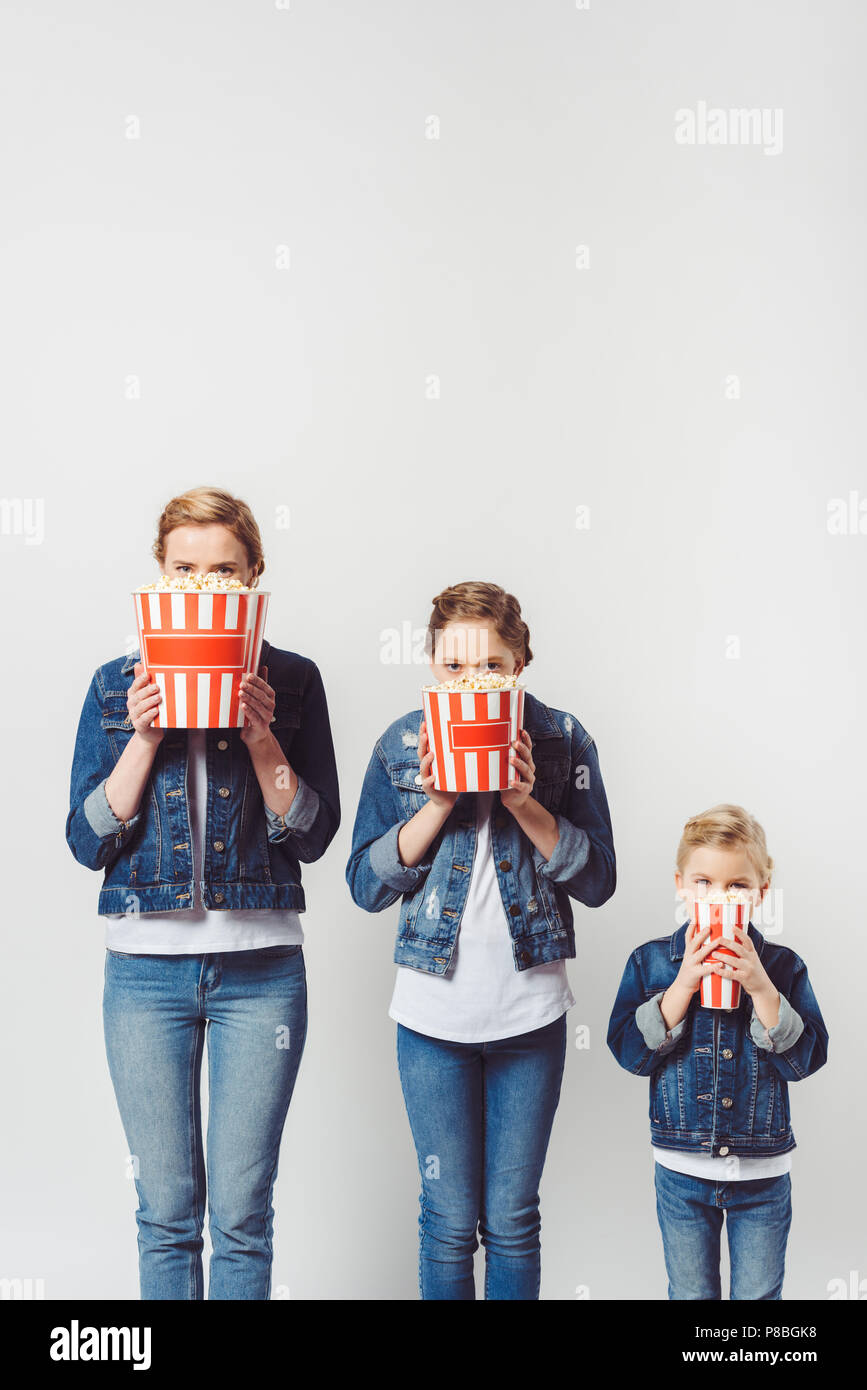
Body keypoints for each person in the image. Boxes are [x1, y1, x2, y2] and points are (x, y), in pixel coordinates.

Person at [66, 486, 340, 1299]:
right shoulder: (116, 685)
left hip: (262, 975)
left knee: (243, 1215)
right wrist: (145, 736)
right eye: (185, 569)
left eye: (223, 570)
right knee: (167, 1212)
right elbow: (87, 840)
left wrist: (262, 738)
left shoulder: (292, 682)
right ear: (160, 575)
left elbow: (316, 833)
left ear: (253, 579)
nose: (202, 585)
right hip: (144, 974)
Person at [346, 581, 616, 1299]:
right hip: (431, 1019)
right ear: (431, 664)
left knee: (511, 1218)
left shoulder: (562, 739)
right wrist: (437, 804)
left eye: (491, 664)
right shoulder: (402, 742)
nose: (473, 681)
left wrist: (526, 803)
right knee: (446, 1217)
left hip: (530, 1015)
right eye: (454, 668)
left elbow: (598, 883)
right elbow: (364, 887)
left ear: (520, 661)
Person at [607, 804, 828, 1300]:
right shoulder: (651, 962)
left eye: (737, 886)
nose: (720, 896)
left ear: (761, 892)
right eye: (704, 882)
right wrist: (682, 985)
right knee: (690, 1295)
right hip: (682, 1168)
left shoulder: (783, 967)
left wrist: (763, 991)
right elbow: (628, 1052)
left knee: (757, 1299)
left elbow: (806, 1060)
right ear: (682, 886)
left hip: (763, 1172)